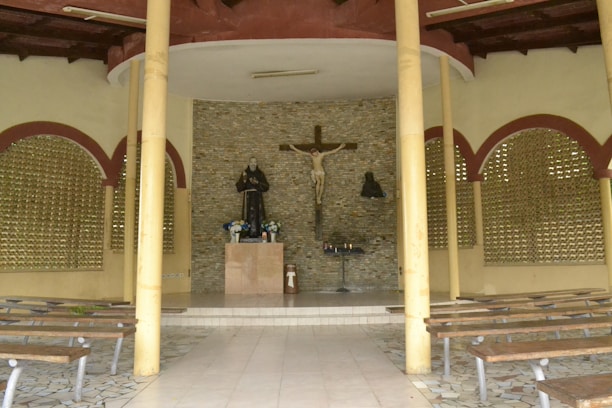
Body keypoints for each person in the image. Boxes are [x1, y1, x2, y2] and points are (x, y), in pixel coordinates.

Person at [235, 157, 269, 238]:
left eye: (255, 162)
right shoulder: (245, 174)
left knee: (258, 216)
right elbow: (239, 188)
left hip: (257, 198)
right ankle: (246, 233)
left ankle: (259, 233)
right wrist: (244, 180)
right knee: (247, 216)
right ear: (249, 163)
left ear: (256, 164)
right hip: (248, 198)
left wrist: (257, 183)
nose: (253, 164)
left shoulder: (260, 174)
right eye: (251, 162)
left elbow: (266, 187)